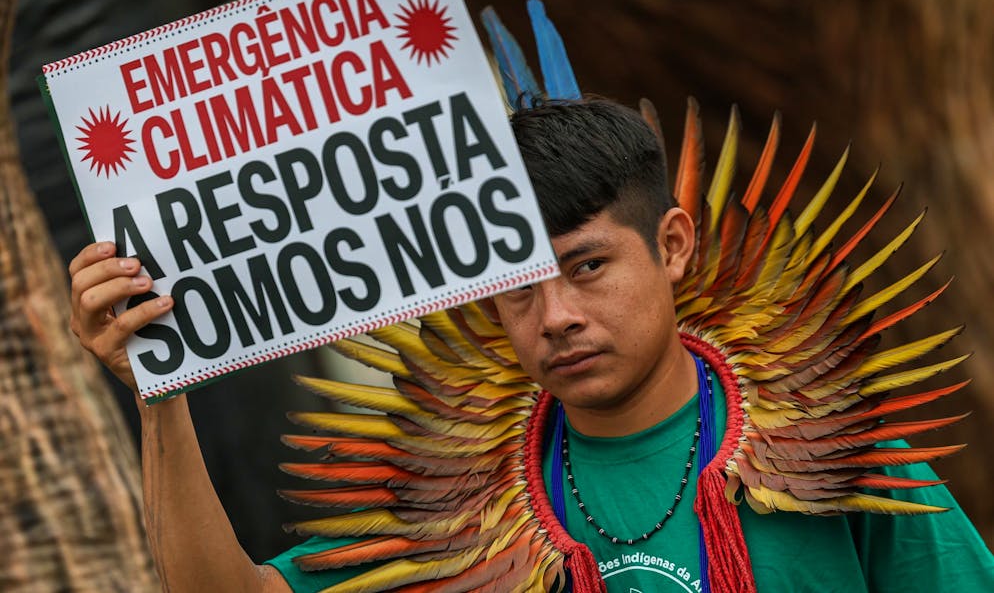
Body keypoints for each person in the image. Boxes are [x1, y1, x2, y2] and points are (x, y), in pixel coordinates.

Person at [70, 98, 994, 592]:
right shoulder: (450, 516)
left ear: (673, 246)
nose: (553, 315)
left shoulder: (840, 456)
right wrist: (161, 385)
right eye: (517, 287)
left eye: (587, 267)